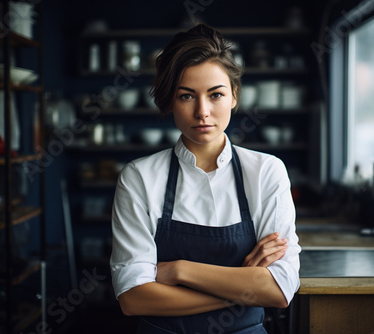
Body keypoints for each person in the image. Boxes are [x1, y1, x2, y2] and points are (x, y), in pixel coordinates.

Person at [110, 24, 300, 334]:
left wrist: (179, 271)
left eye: (216, 95)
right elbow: (134, 298)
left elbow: (279, 290)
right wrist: (242, 287)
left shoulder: (266, 171)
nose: (202, 112)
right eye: (186, 96)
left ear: (234, 97)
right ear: (171, 101)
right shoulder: (139, 178)